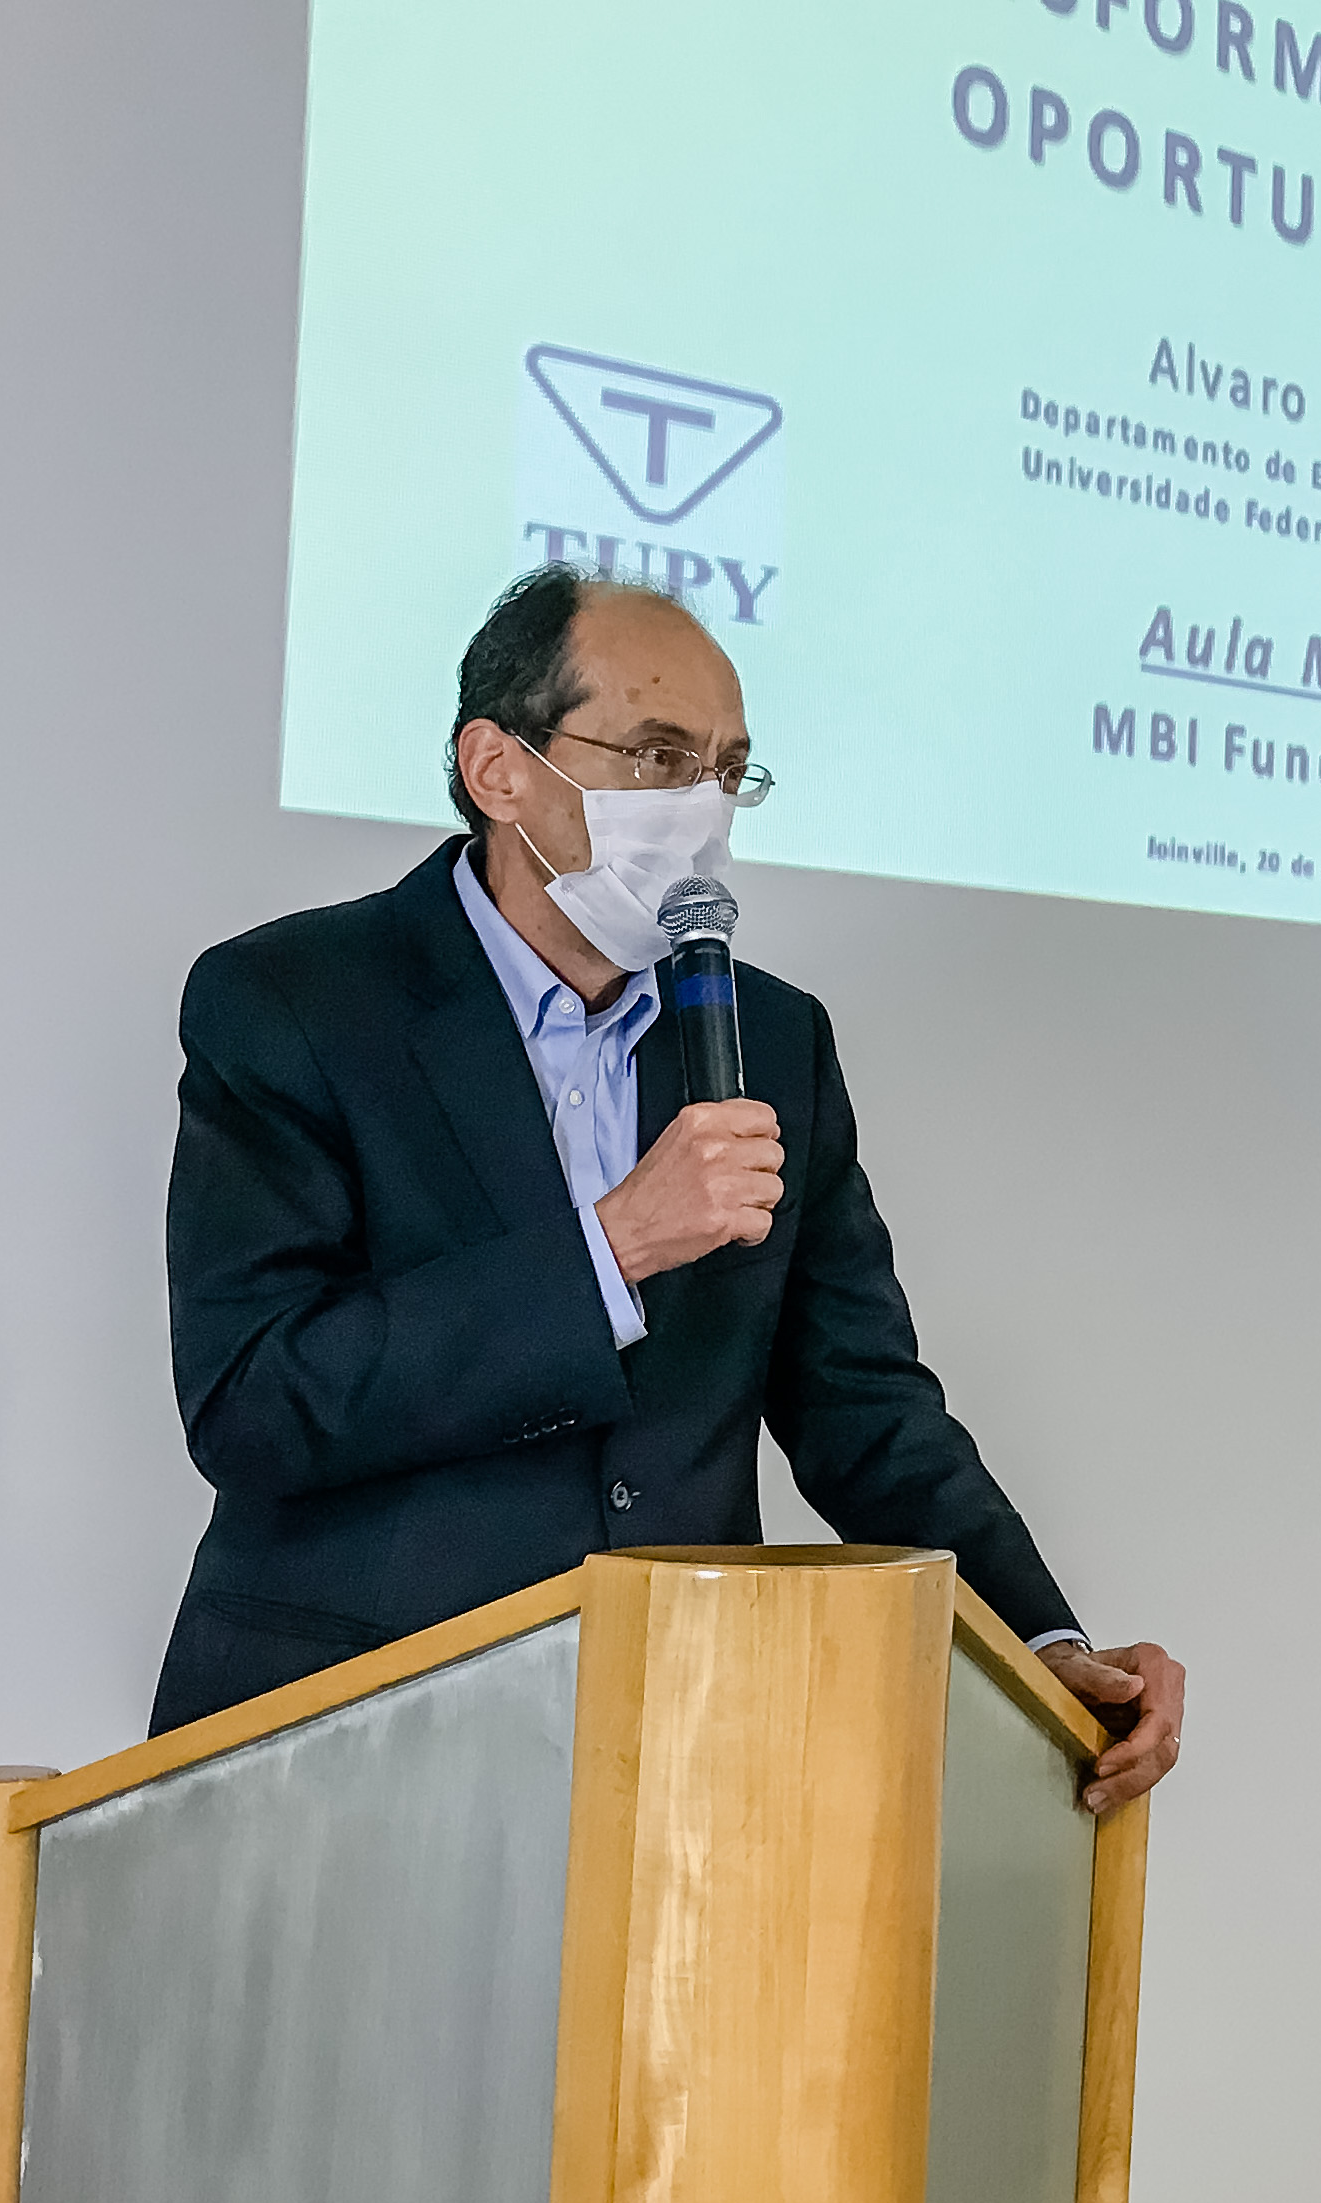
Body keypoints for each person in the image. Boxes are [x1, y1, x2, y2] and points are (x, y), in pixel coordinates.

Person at [151, 563, 1186, 1810]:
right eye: (656, 757)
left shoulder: (773, 1038)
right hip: (345, 1743)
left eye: (727, 770)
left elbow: (863, 1405)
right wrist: (613, 1248)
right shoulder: (296, 1002)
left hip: (673, 1745)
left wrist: (1045, 1646)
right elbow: (255, 1401)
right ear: (498, 768)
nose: (700, 806)